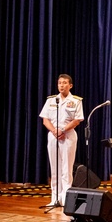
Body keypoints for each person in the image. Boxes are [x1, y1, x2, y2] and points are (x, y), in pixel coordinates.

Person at [38, 73, 85, 207]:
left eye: (64, 83)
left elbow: (77, 120)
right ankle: (55, 198)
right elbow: (45, 119)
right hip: (53, 135)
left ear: (70, 85)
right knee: (55, 168)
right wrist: (54, 131)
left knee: (66, 168)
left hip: (68, 135)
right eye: (59, 83)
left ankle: (66, 199)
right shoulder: (51, 100)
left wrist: (63, 130)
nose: (61, 85)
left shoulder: (76, 101)